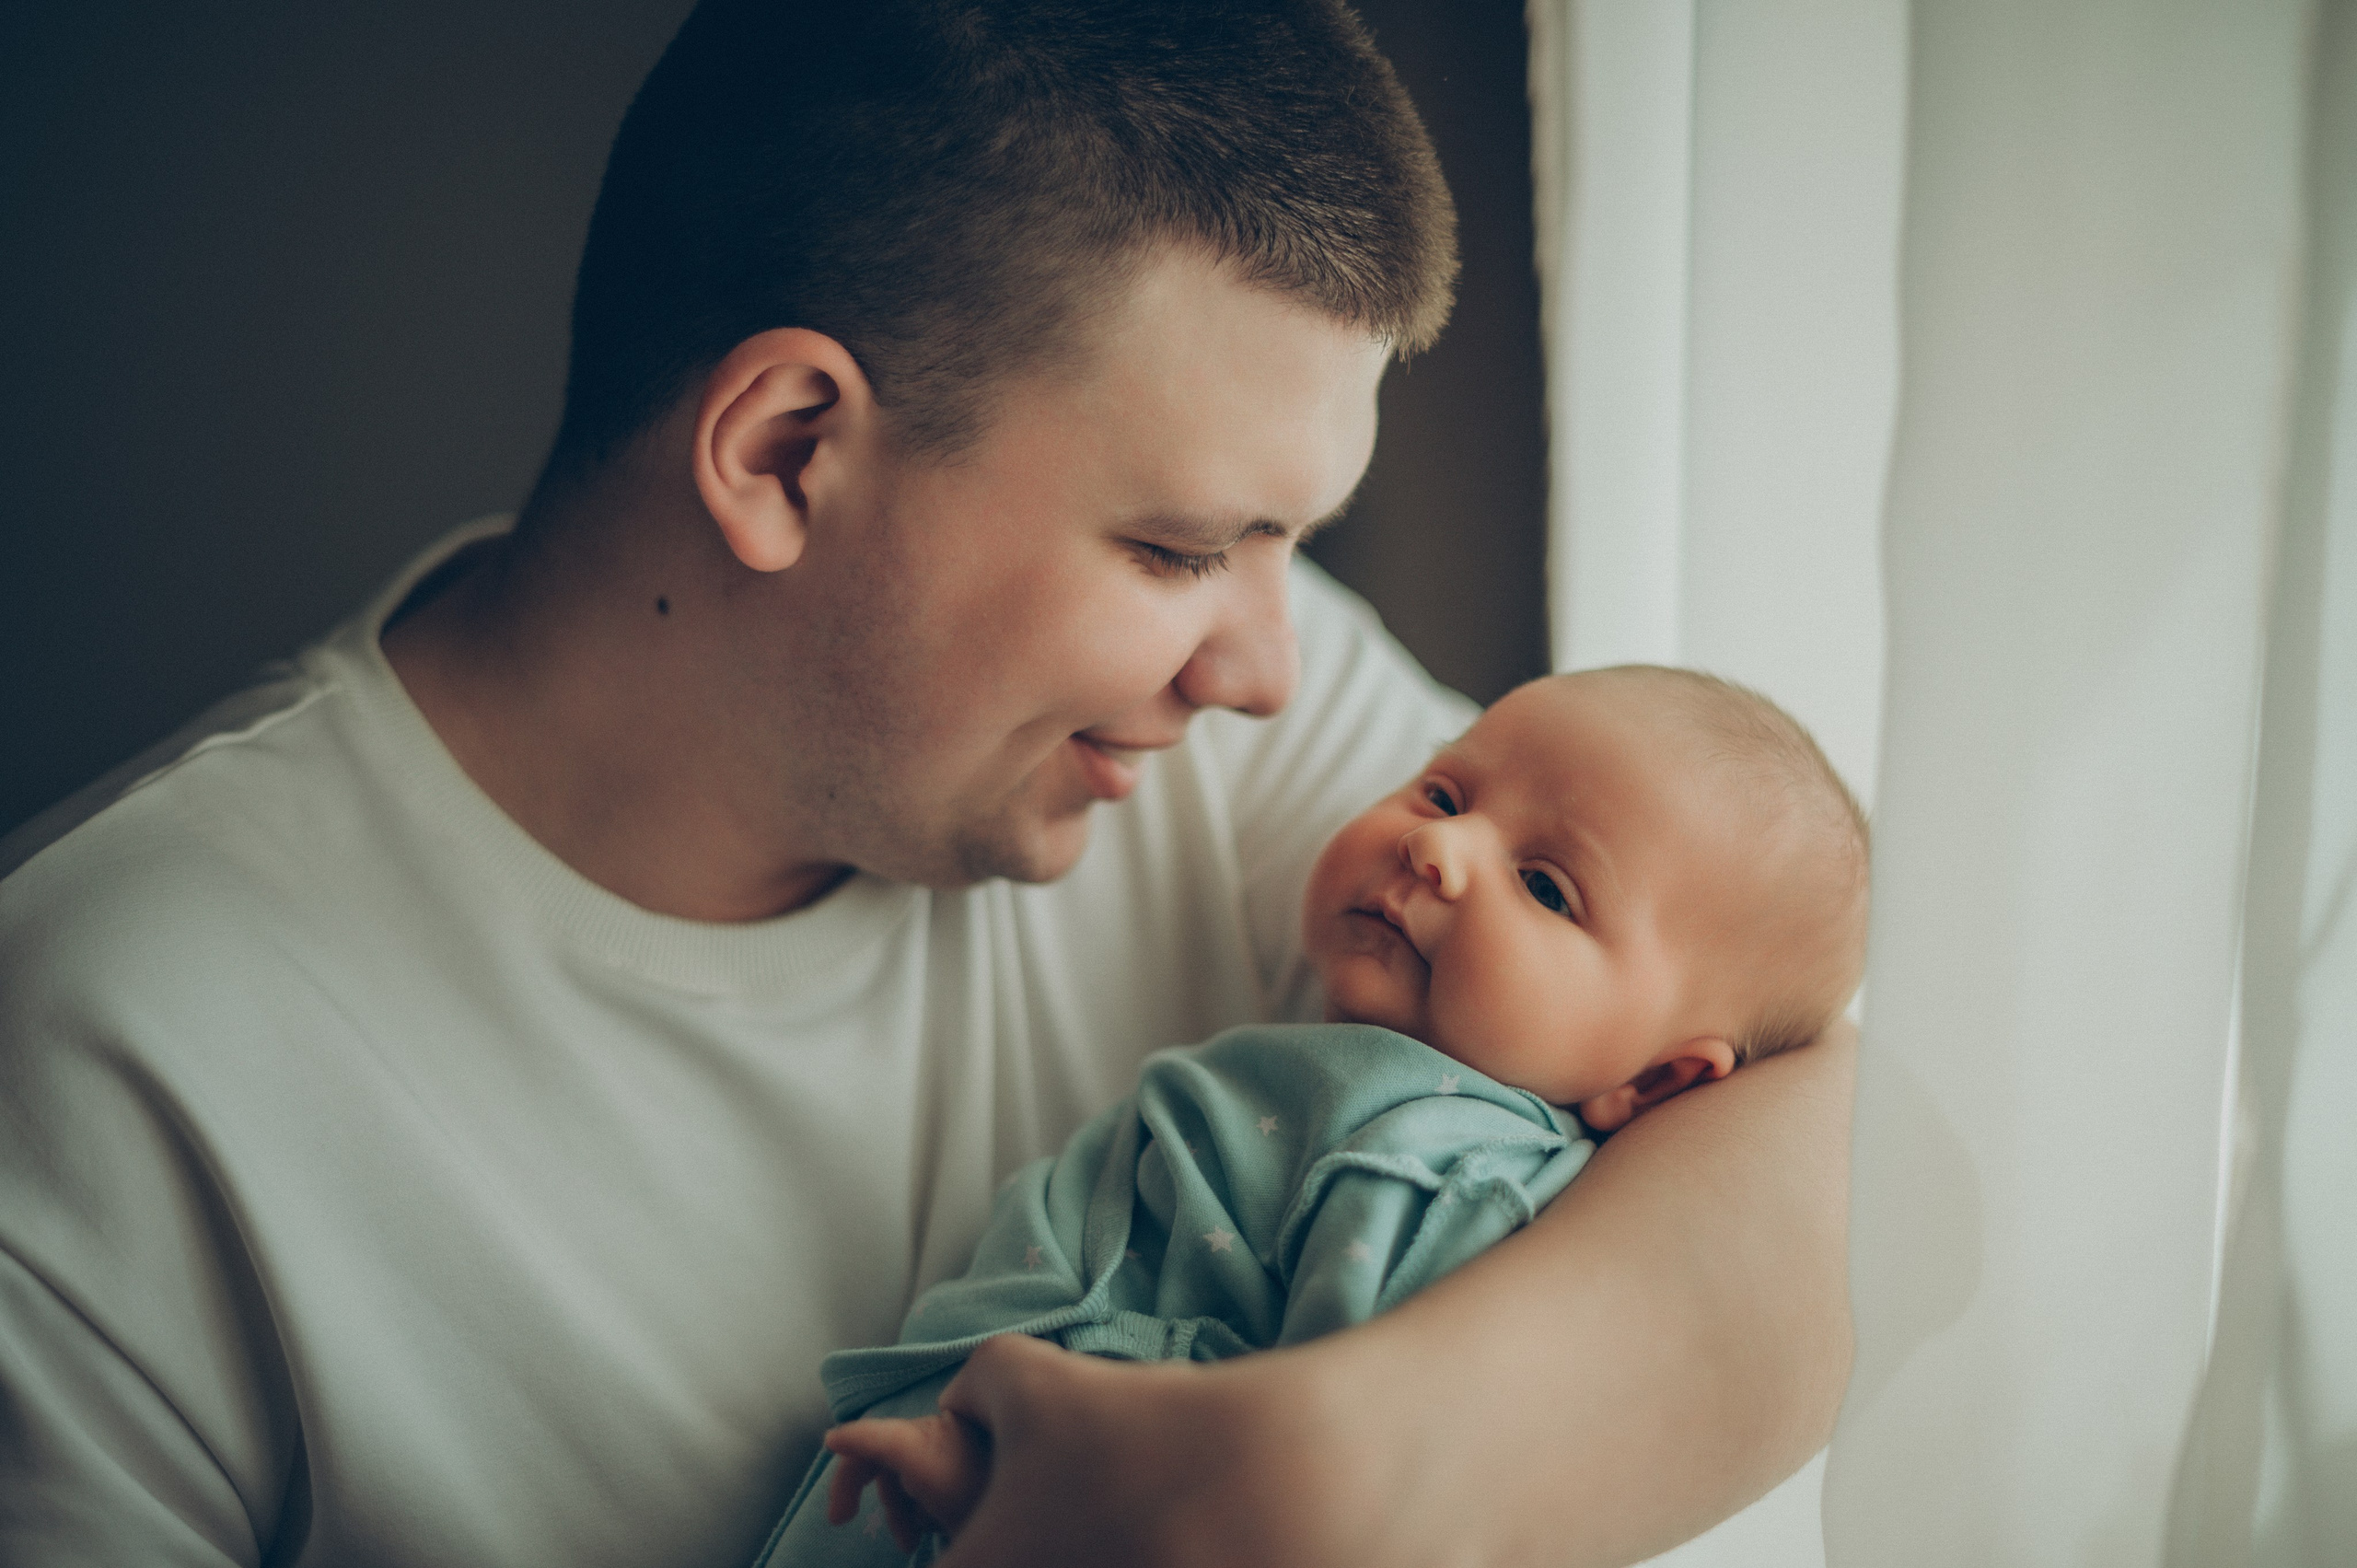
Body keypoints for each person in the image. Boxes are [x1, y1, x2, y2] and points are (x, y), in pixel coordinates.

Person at [0, 5, 1855, 1566]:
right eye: (1181, 546)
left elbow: (1855, 1136)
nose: (1267, 668)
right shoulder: (107, 1063)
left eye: (1287, 547)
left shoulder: (1294, 786)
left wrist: (1324, 1471)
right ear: (789, 449)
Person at [759, 667, 1870, 1565]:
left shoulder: (1442, 1167)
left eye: (1545, 887)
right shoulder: (1354, 1086)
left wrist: (1001, 1470)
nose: (1437, 846)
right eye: (1444, 792)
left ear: (1664, 1081)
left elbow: (1283, 1457)